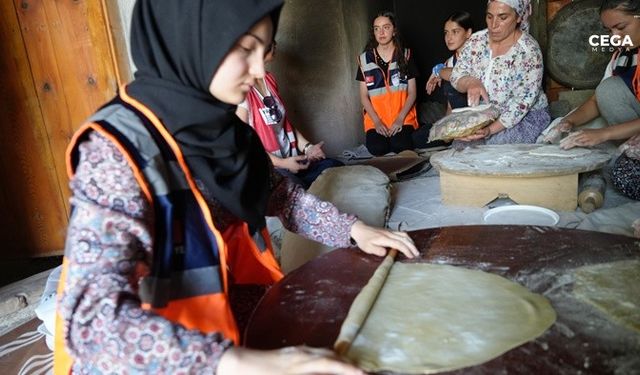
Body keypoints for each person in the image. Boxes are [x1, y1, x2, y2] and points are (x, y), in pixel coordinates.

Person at [53, 1, 419, 374]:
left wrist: (355, 230)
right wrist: (244, 364)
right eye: (245, 49)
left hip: (228, 332)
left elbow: (281, 195)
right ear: (190, 40)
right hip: (160, 360)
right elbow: (91, 324)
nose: (260, 68)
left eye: (263, 50)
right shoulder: (115, 151)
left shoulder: (226, 131)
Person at [558, 0, 640, 201]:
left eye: (620, 27)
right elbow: (597, 100)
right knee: (621, 176)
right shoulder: (622, 55)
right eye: (609, 30)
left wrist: (603, 134)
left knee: (625, 178)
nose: (615, 37)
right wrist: (569, 121)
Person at [237, 41, 343, 189]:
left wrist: (308, 148)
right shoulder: (242, 88)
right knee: (295, 185)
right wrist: (282, 164)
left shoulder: (269, 79)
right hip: (270, 167)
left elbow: (284, 123)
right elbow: (242, 144)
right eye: (272, 42)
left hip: (291, 160)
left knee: (335, 165)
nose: (276, 46)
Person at [449, 0, 550, 144]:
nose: (493, 25)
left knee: (494, 151)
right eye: (489, 17)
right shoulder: (476, 41)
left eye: (503, 18)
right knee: (460, 149)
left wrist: (489, 130)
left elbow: (522, 102)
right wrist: (470, 82)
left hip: (524, 117)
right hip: (485, 116)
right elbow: (456, 75)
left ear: (518, 17)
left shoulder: (529, 52)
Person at [356, 11, 420, 156]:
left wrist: (399, 119)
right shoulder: (364, 59)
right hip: (377, 120)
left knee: (400, 145)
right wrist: (377, 122)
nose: (381, 32)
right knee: (377, 148)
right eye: (377, 28)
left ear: (394, 30)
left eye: (386, 27)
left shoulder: (405, 55)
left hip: (402, 118)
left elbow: (412, 93)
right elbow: (364, 97)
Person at [426, 11, 474, 114]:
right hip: (459, 122)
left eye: (455, 31)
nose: (449, 37)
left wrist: (439, 70)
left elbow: (462, 75)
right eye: (446, 32)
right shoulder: (449, 62)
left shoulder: (479, 56)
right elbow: (451, 106)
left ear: (468, 32)